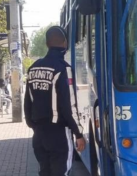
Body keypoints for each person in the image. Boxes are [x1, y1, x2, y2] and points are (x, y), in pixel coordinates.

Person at [24, 26, 85, 176]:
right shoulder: (64, 69)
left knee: (45, 172)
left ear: (46, 44)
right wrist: (78, 134)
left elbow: (28, 102)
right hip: (58, 134)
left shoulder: (33, 68)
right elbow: (69, 106)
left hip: (39, 133)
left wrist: (34, 126)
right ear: (65, 43)